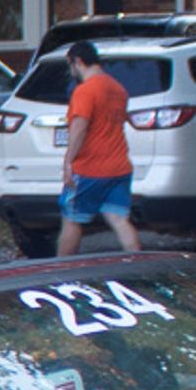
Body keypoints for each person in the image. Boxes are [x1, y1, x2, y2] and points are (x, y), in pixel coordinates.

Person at [53, 36, 142, 257]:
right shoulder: (118, 89)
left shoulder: (85, 91)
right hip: (120, 167)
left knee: (72, 219)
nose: (71, 70)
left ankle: (60, 271)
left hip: (90, 169)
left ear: (78, 62)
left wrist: (68, 162)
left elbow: (80, 127)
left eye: (71, 65)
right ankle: (137, 264)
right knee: (119, 220)